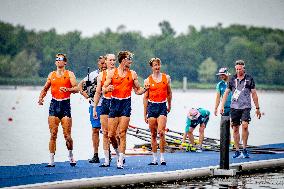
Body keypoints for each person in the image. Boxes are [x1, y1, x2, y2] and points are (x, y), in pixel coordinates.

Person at [102, 50, 149, 169]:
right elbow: (103, 88)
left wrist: (145, 89)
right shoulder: (112, 73)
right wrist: (108, 88)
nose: (131, 61)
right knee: (111, 135)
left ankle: (120, 160)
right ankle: (118, 153)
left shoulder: (132, 74)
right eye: (129, 59)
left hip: (126, 104)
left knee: (122, 133)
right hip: (114, 103)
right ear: (123, 60)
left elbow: (137, 90)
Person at [38, 53, 78, 167]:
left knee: (67, 135)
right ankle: (51, 160)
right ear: (55, 62)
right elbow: (45, 89)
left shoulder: (69, 74)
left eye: (61, 59)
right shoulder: (51, 75)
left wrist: (68, 89)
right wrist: (41, 98)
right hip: (54, 105)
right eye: (57, 59)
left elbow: (76, 89)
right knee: (53, 134)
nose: (58, 61)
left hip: (65, 105)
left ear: (65, 62)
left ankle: (70, 155)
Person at [220, 60, 261, 158]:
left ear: (244, 68)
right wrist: (221, 105)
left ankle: (245, 148)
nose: (238, 71)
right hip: (234, 107)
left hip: (245, 106)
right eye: (236, 69)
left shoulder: (249, 79)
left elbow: (254, 94)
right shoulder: (232, 79)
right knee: (235, 129)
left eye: (240, 69)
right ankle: (237, 150)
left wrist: (257, 108)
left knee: (245, 125)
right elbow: (226, 93)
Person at [143, 57, 172, 165]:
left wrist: (169, 105)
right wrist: (144, 113)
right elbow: (145, 97)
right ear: (152, 67)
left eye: (158, 65)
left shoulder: (166, 78)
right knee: (153, 134)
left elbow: (169, 93)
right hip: (152, 107)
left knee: (161, 132)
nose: (157, 67)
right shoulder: (147, 80)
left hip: (162, 106)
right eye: (155, 65)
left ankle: (162, 157)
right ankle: (154, 159)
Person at [78, 56, 106, 163]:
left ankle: (110, 153)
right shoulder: (92, 75)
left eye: (105, 63)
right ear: (98, 63)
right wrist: (86, 96)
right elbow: (80, 85)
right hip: (94, 106)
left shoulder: (111, 74)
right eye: (102, 63)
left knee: (109, 132)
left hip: (108, 105)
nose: (103, 65)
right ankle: (96, 155)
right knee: (95, 130)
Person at [92, 54, 117, 167]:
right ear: (105, 61)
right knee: (105, 133)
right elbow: (98, 92)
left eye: (114, 60)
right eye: (110, 60)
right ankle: (107, 160)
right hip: (105, 103)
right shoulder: (101, 75)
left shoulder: (119, 72)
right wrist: (95, 108)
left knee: (115, 134)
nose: (112, 62)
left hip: (117, 103)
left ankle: (118, 154)